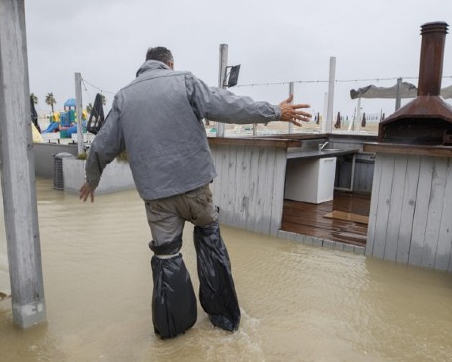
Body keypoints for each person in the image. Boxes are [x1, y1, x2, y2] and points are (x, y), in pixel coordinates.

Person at [79, 46, 311, 339]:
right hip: (195, 190)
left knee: (167, 257)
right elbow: (229, 105)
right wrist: (275, 111)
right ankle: (224, 319)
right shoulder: (184, 81)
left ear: (145, 65)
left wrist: (92, 179)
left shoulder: (124, 97)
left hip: (157, 199)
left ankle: (173, 331)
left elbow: (102, 145)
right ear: (170, 63)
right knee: (209, 240)